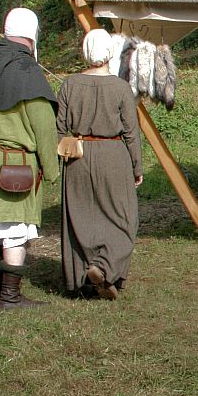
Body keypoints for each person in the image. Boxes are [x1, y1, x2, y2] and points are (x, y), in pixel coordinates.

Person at [0, 7, 59, 310]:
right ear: (33, 35)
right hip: (14, 163)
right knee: (15, 229)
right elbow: (43, 126)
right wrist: (51, 168)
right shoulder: (26, 71)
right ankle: (10, 297)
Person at [57, 29, 143, 300]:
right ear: (110, 54)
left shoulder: (69, 84)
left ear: (85, 51)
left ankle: (85, 276)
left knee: (81, 218)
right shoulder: (120, 87)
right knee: (125, 218)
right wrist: (137, 167)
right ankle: (103, 267)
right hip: (113, 155)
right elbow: (131, 131)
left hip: (78, 156)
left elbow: (59, 128)